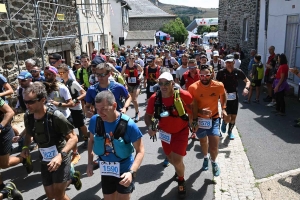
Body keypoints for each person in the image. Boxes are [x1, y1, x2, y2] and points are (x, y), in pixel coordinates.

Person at [21, 82, 81, 200]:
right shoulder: (28, 116)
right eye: (25, 102)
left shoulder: (56, 116)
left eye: (31, 102)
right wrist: (25, 147)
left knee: (59, 195)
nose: (27, 105)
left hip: (61, 158)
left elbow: (74, 138)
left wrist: (61, 155)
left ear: (43, 100)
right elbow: (28, 134)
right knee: (51, 195)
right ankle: (71, 178)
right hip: (44, 159)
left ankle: (69, 176)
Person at [86, 91, 144, 200]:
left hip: (124, 169)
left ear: (114, 106)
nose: (100, 113)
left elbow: (140, 150)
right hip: (106, 169)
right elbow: (91, 141)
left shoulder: (129, 125)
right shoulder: (95, 120)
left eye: (104, 109)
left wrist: (131, 172)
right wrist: (90, 163)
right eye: (97, 109)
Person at [145, 72, 192, 198]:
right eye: (161, 83)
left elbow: (193, 106)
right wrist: (150, 127)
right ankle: (178, 169)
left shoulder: (182, 94)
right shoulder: (154, 98)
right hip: (165, 134)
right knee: (171, 159)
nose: (163, 86)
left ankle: (181, 180)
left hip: (181, 132)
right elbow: (148, 116)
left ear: (172, 83)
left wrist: (195, 120)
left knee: (177, 160)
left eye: (166, 83)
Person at [188, 65, 227, 177]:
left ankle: (214, 162)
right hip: (199, 119)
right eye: (202, 75)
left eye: (207, 75)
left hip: (214, 118)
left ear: (212, 75)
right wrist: (193, 121)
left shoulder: (218, 85)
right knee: (203, 141)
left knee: (214, 146)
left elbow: (223, 95)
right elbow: (189, 106)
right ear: (199, 75)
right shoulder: (193, 87)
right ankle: (205, 158)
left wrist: (223, 108)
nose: (204, 78)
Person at [43, 66, 81, 165]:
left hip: (64, 117)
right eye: (45, 74)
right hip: (51, 117)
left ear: (55, 75)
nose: (47, 76)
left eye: (49, 74)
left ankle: (75, 153)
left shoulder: (62, 88)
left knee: (71, 137)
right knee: (58, 139)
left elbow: (71, 104)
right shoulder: (44, 87)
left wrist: (57, 104)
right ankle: (62, 157)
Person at [217, 58, 250, 139]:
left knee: (234, 116)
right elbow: (216, 83)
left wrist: (246, 88)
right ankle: (224, 122)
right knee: (227, 117)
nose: (229, 64)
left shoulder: (238, 71)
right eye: (227, 62)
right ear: (225, 63)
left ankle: (230, 132)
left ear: (233, 62)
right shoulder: (221, 72)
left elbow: (248, 81)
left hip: (234, 96)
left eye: (230, 62)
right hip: (224, 97)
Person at [57, 64, 89, 148]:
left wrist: (76, 100)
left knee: (81, 124)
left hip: (76, 108)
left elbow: (84, 93)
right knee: (68, 126)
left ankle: (86, 139)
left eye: (62, 73)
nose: (60, 75)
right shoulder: (61, 83)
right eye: (59, 73)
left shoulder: (73, 82)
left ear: (67, 72)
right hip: (66, 108)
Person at [121, 54, 143, 122]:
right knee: (131, 99)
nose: (131, 59)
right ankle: (136, 111)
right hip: (129, 84)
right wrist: (124, 75)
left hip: (137, 84)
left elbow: (142, 71)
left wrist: (140, 76)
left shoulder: (137, 65)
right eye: (130, 58)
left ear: (134, 59)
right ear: (128, 58)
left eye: (132, 58)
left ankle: (137, 113)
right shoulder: (125, 66)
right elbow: (121, 74)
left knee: (134, 99)